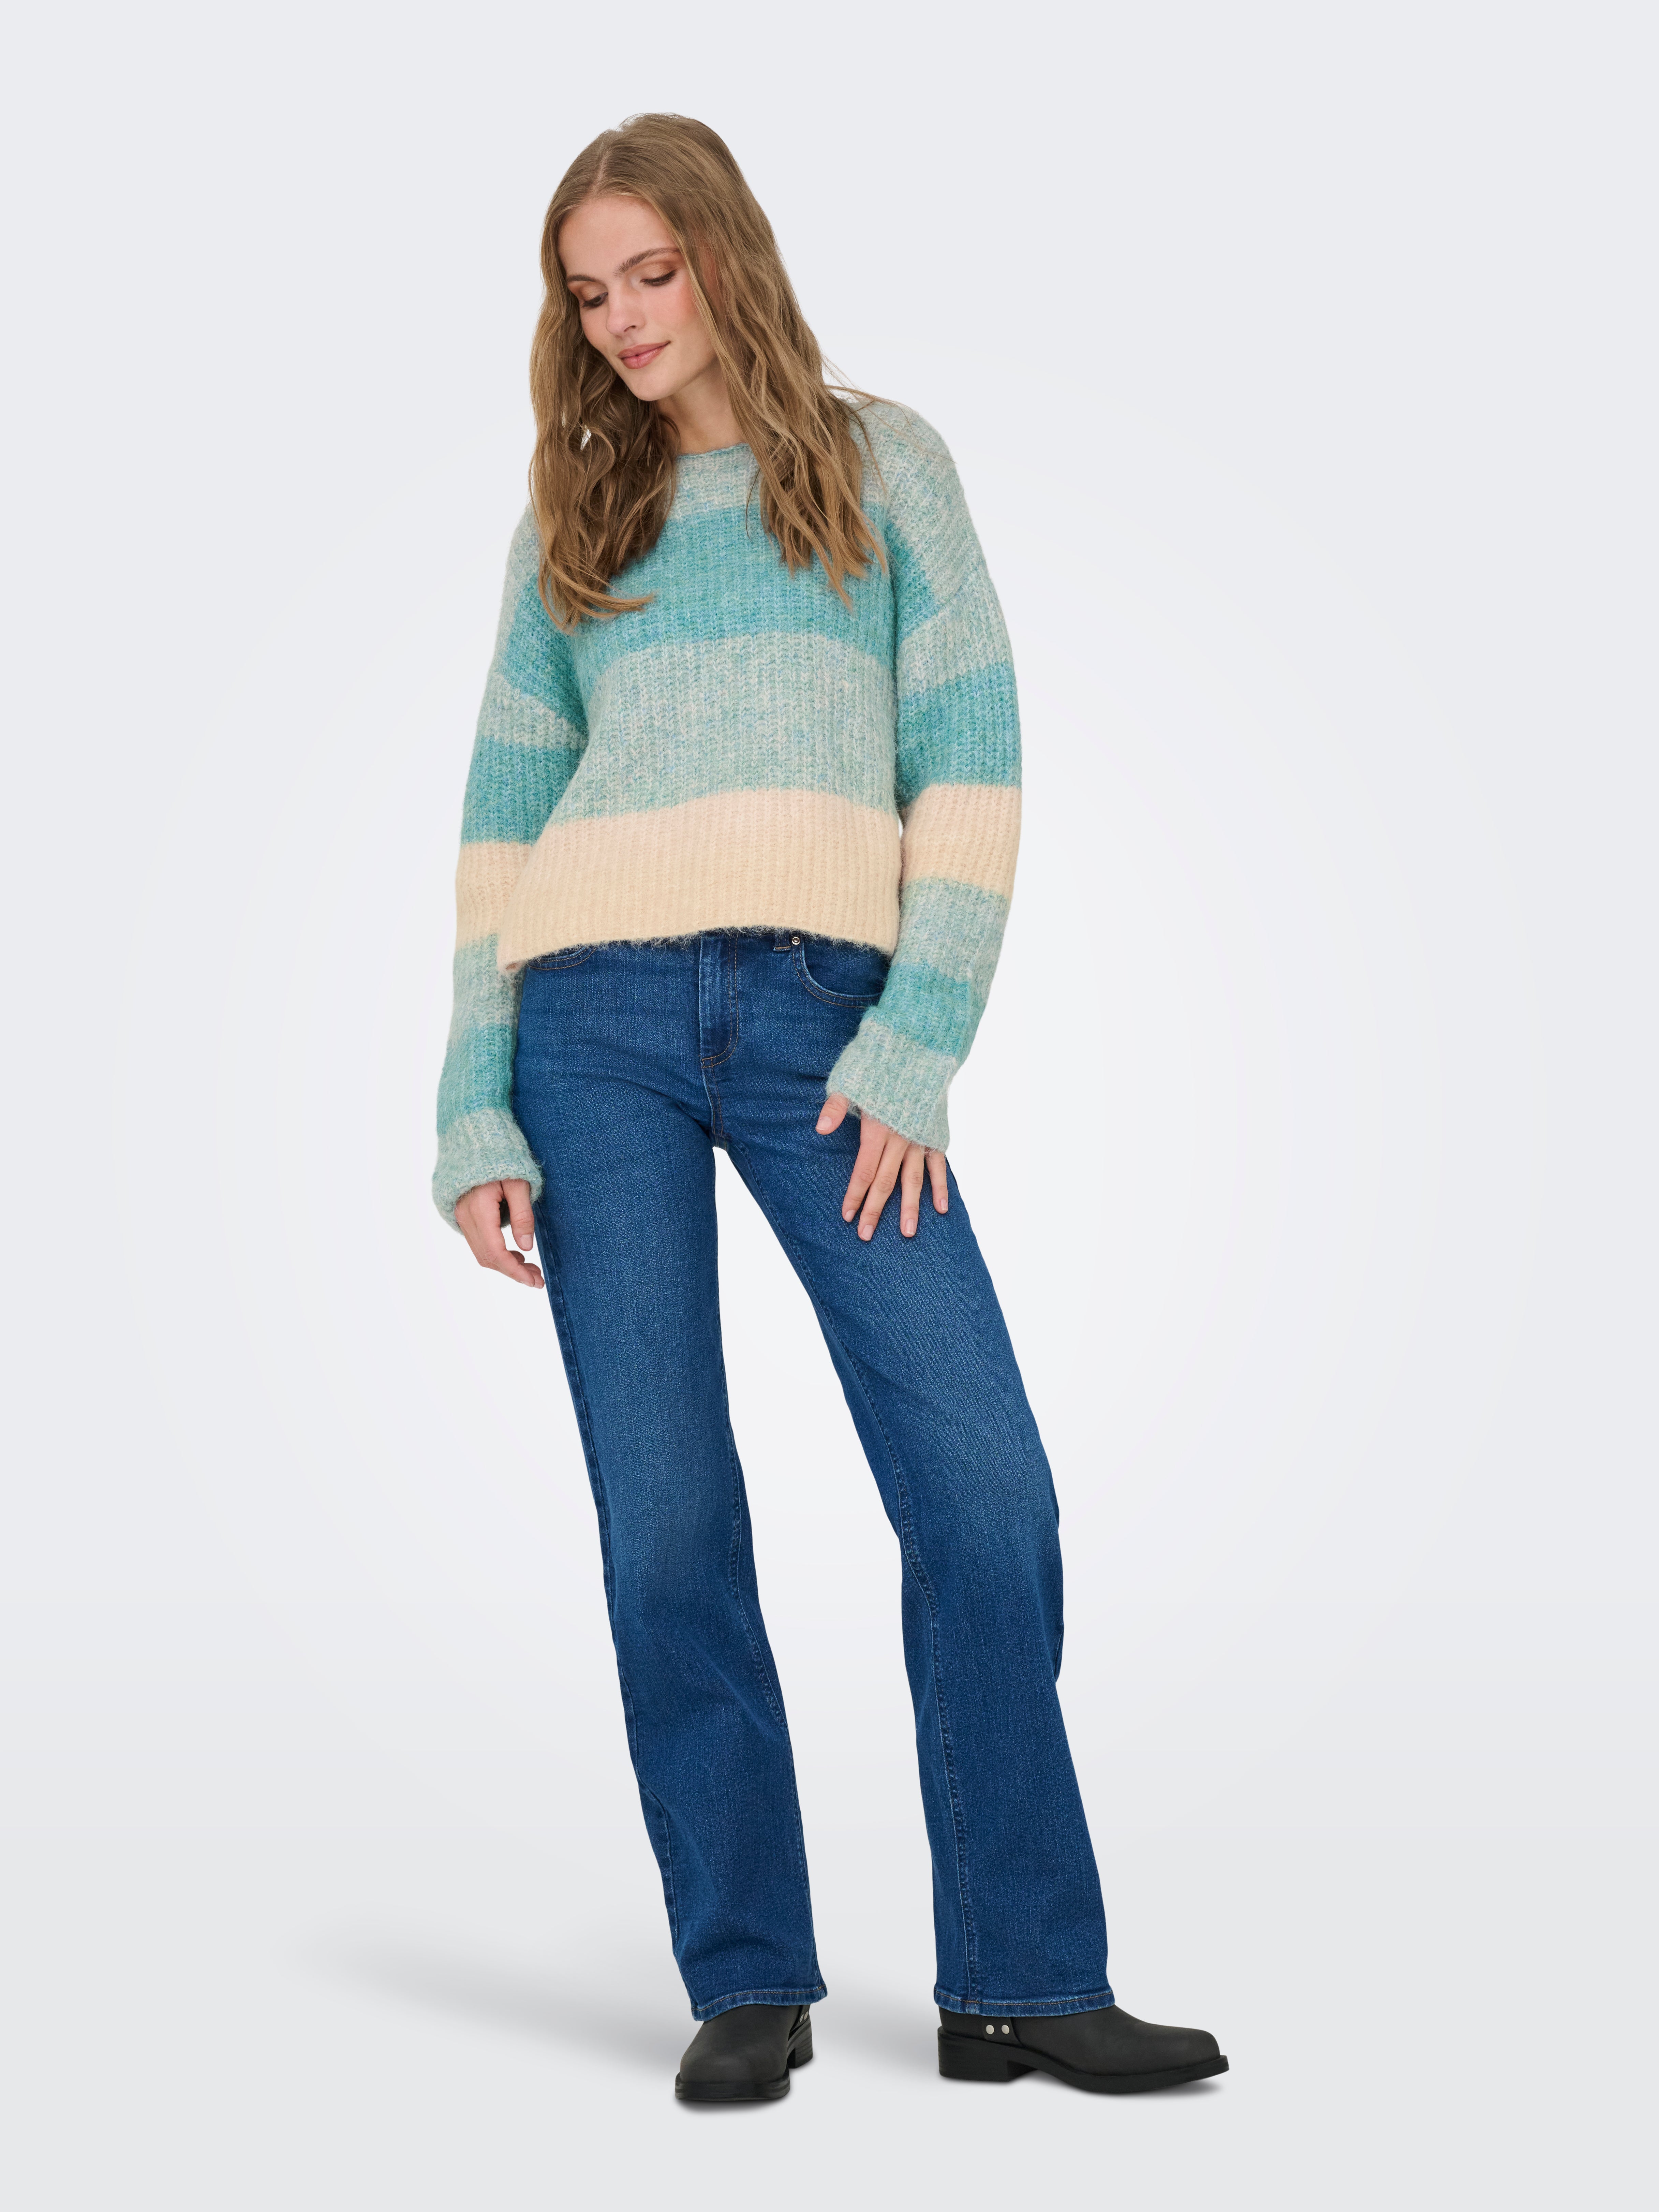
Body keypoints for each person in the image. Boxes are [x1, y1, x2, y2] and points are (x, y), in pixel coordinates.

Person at [433, 112, 1226, 2104]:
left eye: (651, 271)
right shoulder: (574, 520)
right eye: (587, 292)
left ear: (726, 254)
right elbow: (503, 820)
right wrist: (473, 1103)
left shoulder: (883, 467)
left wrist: (915, 1039)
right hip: (590, 1028)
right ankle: (747, 1974)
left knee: (983, 1493)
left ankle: (1018, 1977)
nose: (623, 319)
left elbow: (973, 758)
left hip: (823, 1024)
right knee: (667, 1517)